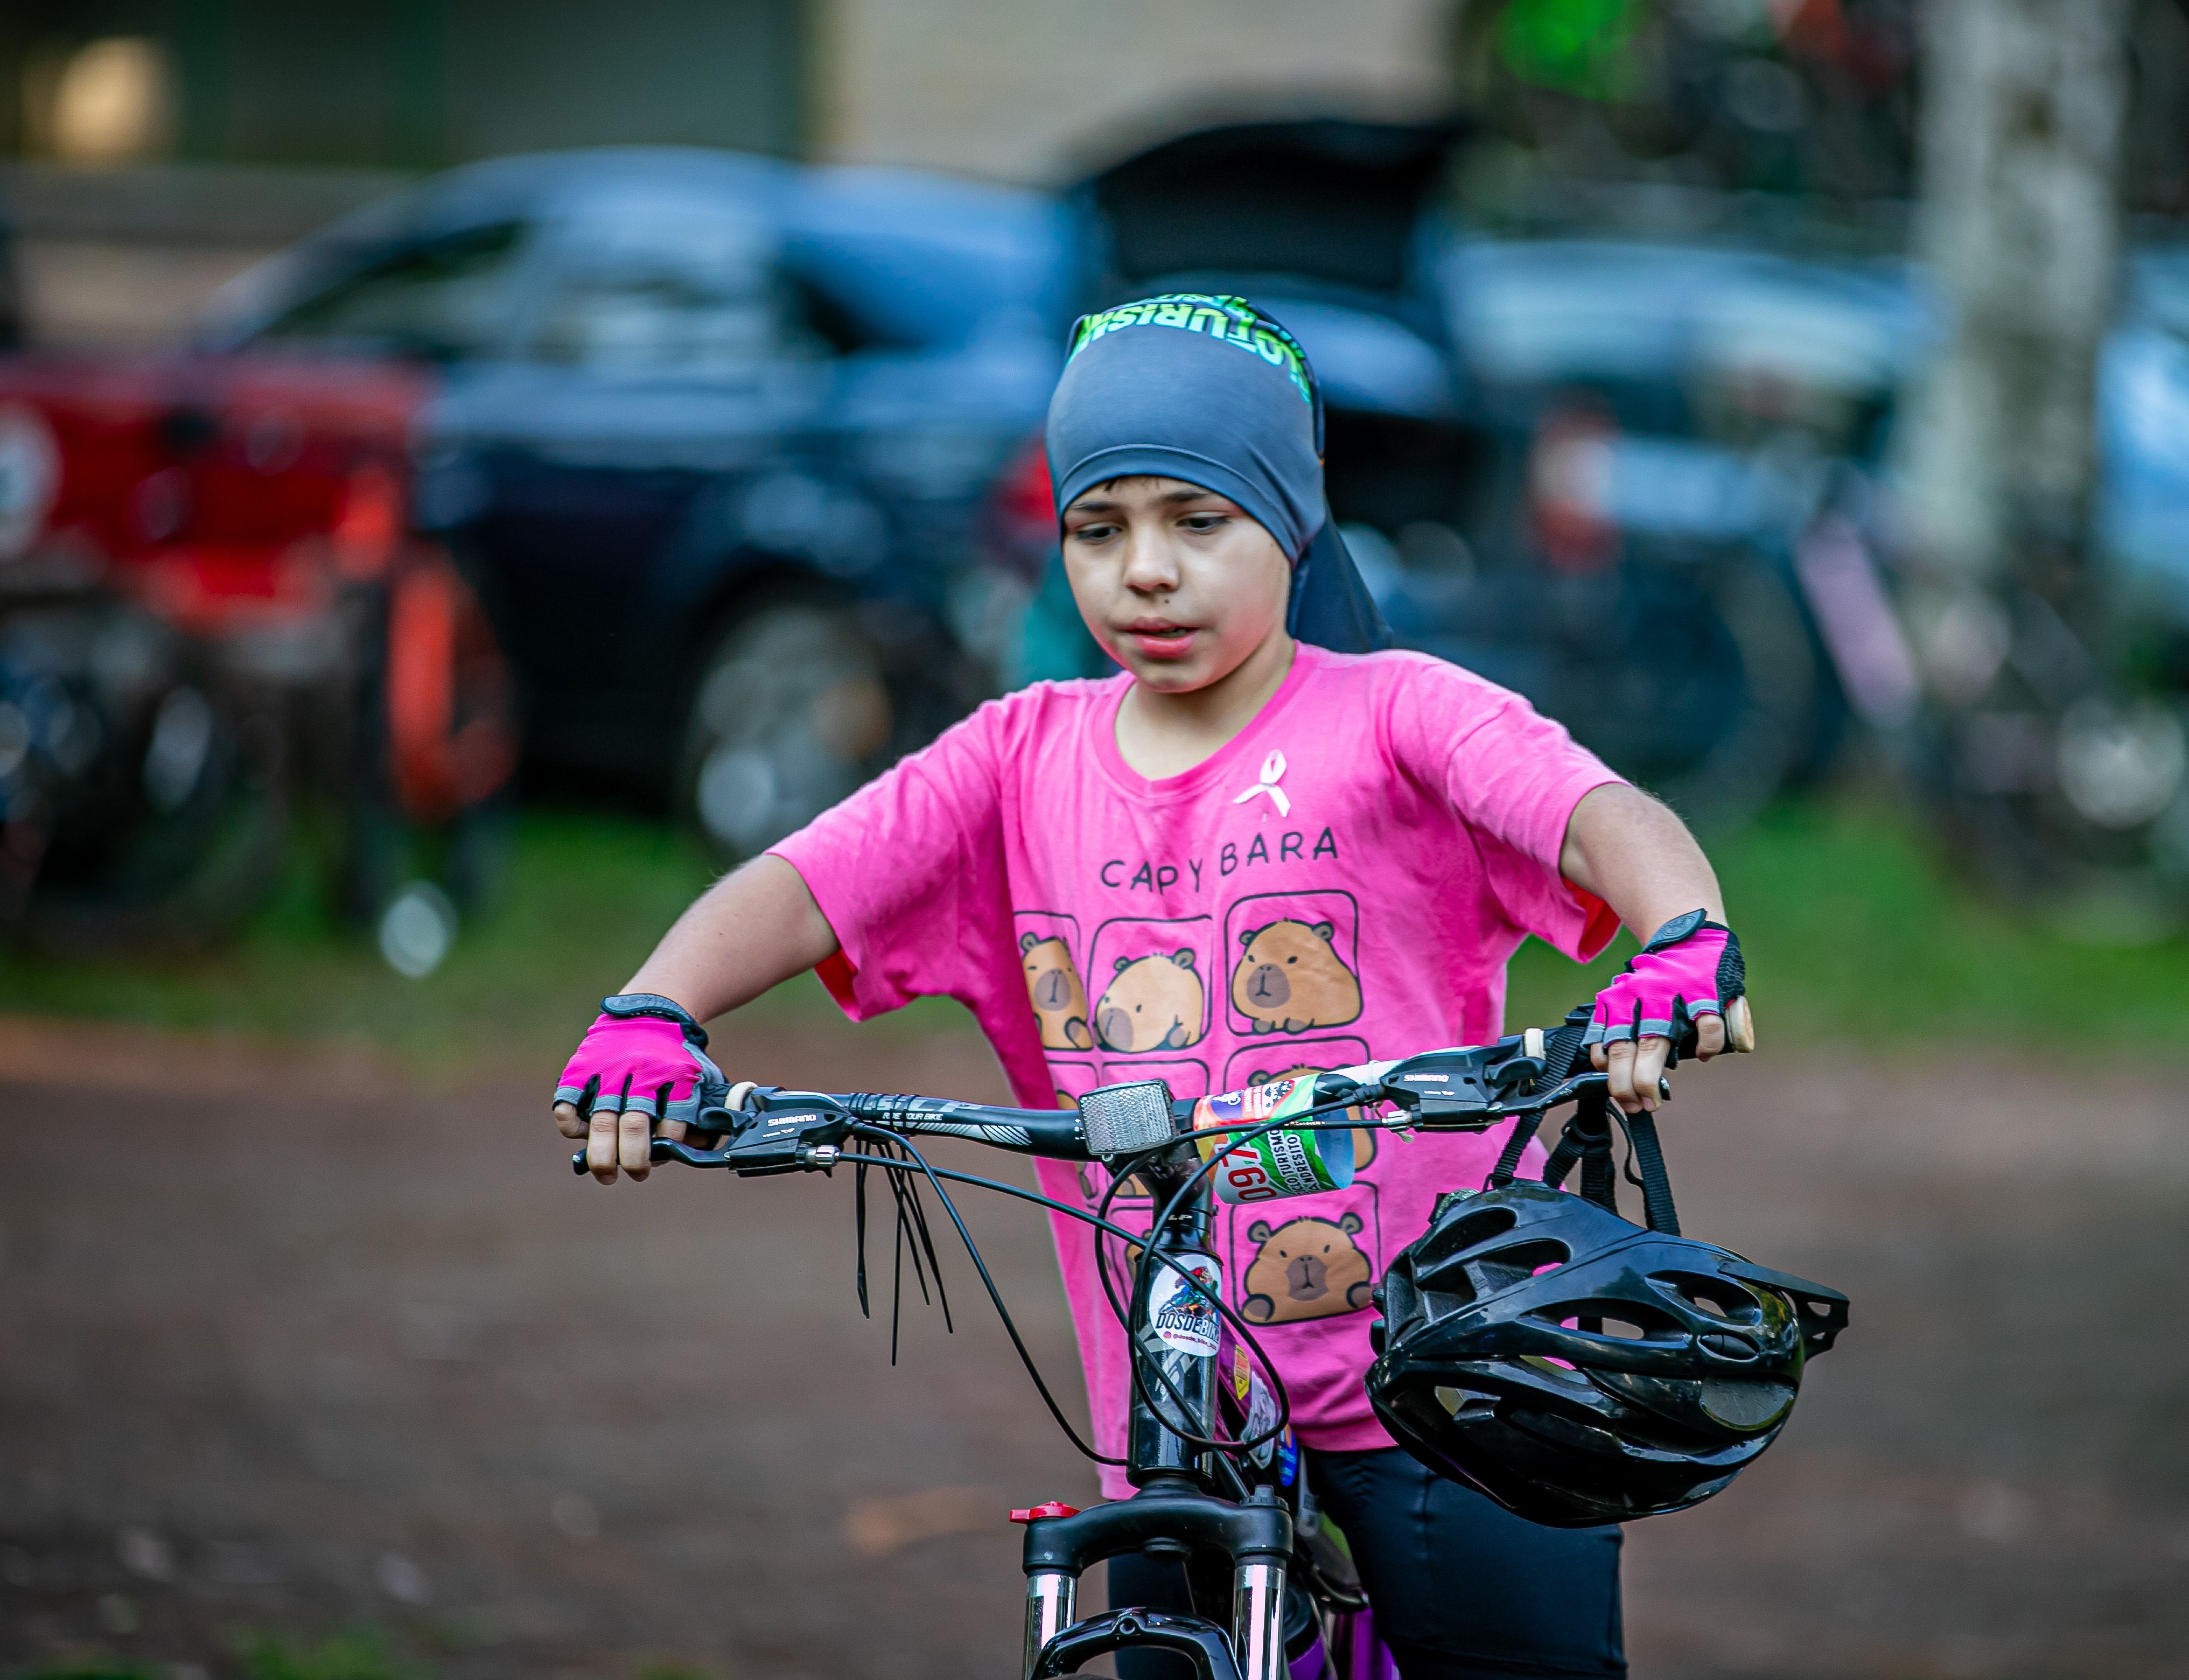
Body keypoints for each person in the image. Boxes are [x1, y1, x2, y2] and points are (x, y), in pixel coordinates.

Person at [550, 295, 1747, 1680]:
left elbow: (1597, 817)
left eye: (1198, 520)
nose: (1147, 572)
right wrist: (653, 1010)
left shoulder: (1400, 713)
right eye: (1098, 529)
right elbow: (811, 880)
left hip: (1439, 1383)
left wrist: (1683, 940)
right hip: (1172, 1416)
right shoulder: (1017, 756)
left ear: (1290, 517)